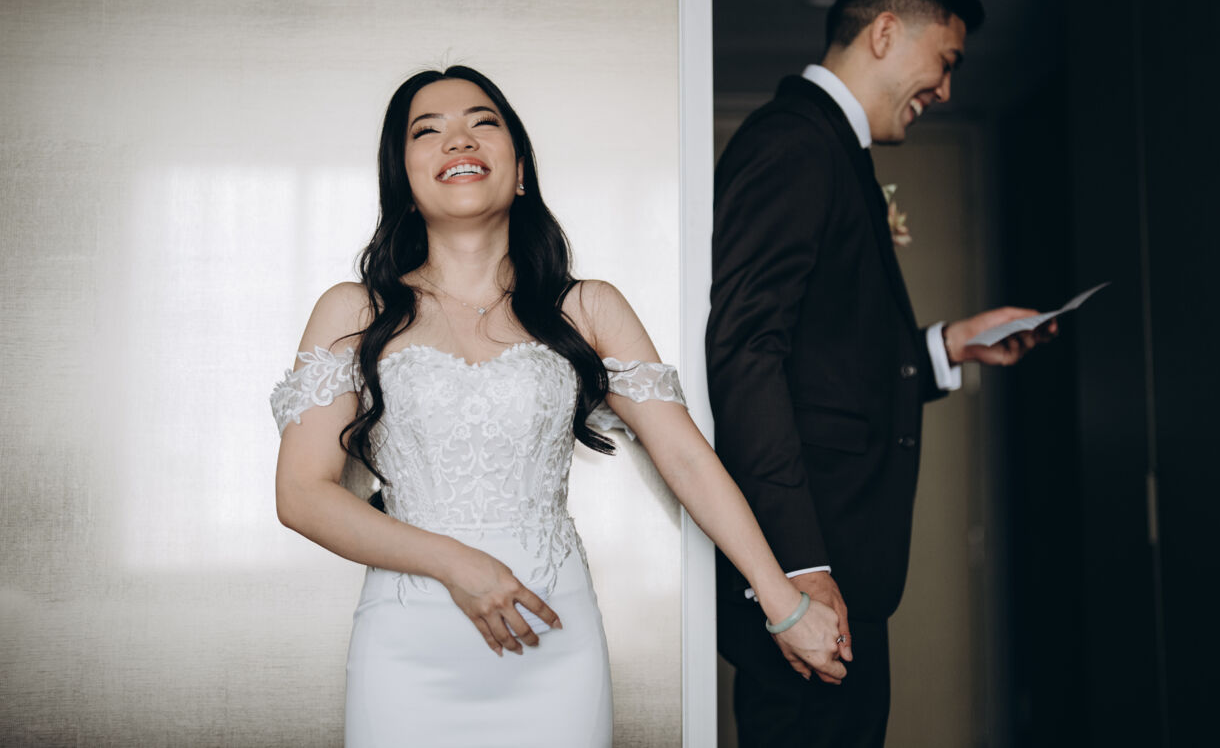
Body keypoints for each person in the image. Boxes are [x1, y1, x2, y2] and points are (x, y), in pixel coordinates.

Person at [270, 65, 847, 747]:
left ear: (520, 172)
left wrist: (783, 601)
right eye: (428, 131)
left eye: (483, 123)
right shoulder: (353, 312)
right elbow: (301, 495)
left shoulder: (588, 307)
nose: (459, 139)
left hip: (554, 648)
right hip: (405, 654)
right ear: (404, 179)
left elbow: (688, 459)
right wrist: (458, 563)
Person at [706, 0, 1057, 747]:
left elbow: (830, 363)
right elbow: (746, 351)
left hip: (839, 570)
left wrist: (955, 345)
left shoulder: (834, 149)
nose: (947, 90)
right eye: (946, 61)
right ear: (887, 33)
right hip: (811, 574)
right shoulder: (795, 143)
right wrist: (797, 567)